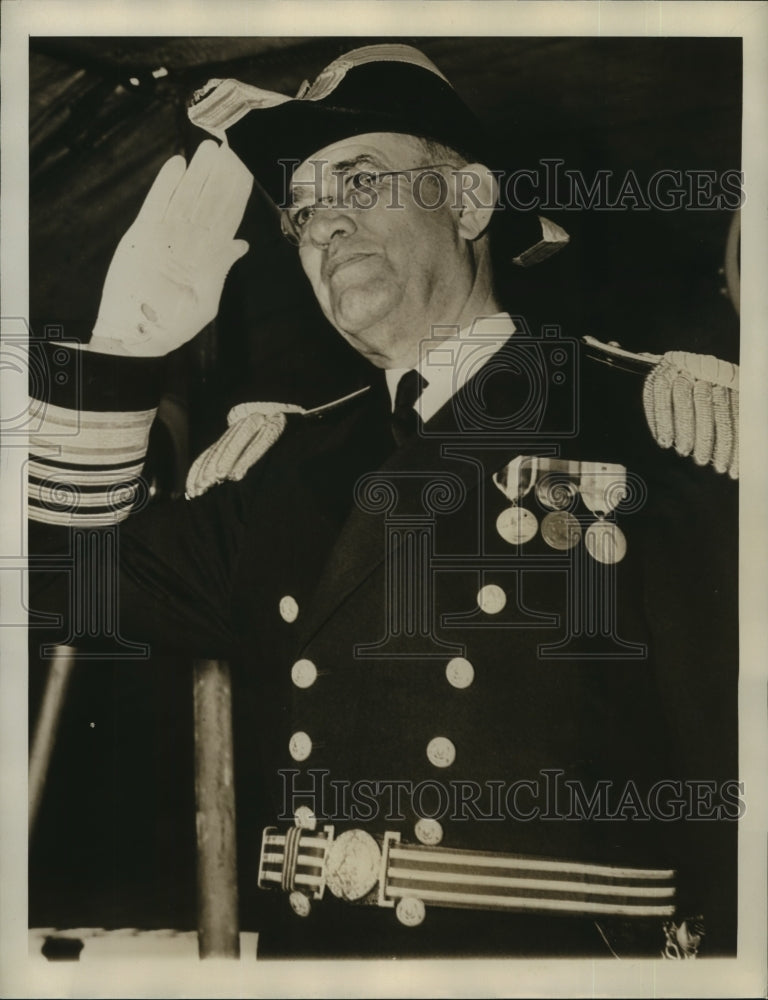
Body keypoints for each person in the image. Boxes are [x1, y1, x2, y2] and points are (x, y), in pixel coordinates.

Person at [29, 44, 739, 959]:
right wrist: (122, 353)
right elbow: (50, 580)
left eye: (359, 183)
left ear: (471, 202)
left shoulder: (652, 428)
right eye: (302, 211)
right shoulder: (285, 468)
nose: (322, 225)